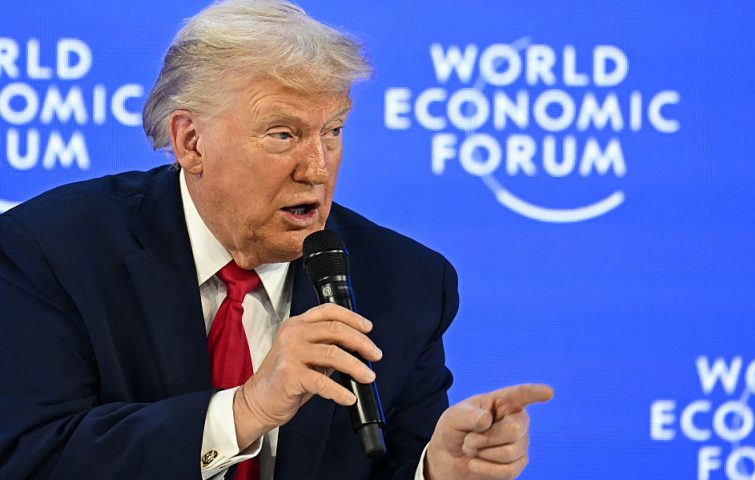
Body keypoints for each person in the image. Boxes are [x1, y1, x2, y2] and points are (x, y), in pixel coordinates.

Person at [0, 0, 552, 479]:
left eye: (332, 131)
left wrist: (437, 470)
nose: (317, 169)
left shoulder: (406, 284)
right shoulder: (52, 252)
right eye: (283, 134)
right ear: (191, 142)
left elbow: (392, 465)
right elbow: (32, 456)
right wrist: (246, 411)